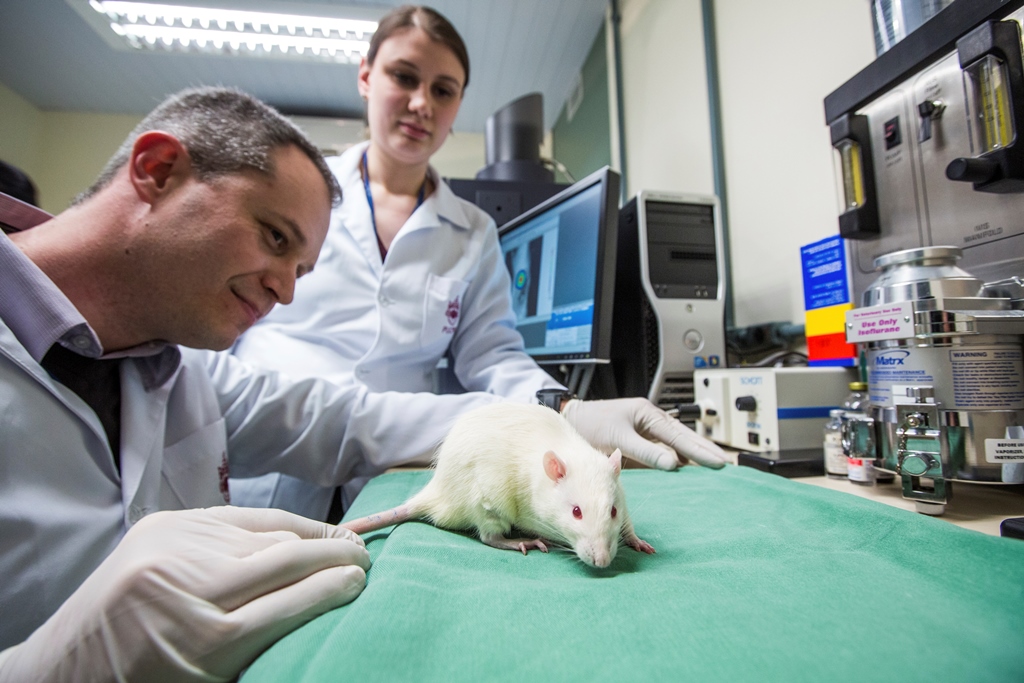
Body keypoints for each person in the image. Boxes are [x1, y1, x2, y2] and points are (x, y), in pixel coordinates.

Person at [229, 5, 728, 522]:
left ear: (459, 102)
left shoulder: (472, 231)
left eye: (443, 90)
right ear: (365, 75)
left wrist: (566, 408)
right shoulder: (297, 195)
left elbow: (492, 357)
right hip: (266, 454)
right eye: (404, 76)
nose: (422, 102)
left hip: (394, 467)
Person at [0, 86, 394, 681]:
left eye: (301, 271)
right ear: (157, 170)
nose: (287, 291)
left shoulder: (181, 370)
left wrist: (567, 415)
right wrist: (46, 667)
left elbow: (346, 419)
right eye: (276, 238)